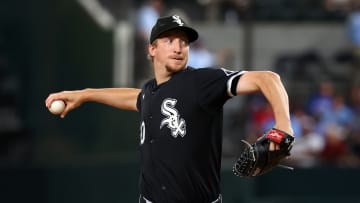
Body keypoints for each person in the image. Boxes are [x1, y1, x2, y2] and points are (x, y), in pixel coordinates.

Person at [45, 15, 294, 203]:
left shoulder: (202, 82)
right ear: (152, 49)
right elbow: (134, 97)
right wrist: (86, 94)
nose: (178, 47)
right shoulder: (150, 91)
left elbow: (268, 79)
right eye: (170, 40)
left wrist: (283, 125)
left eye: (184, 42)